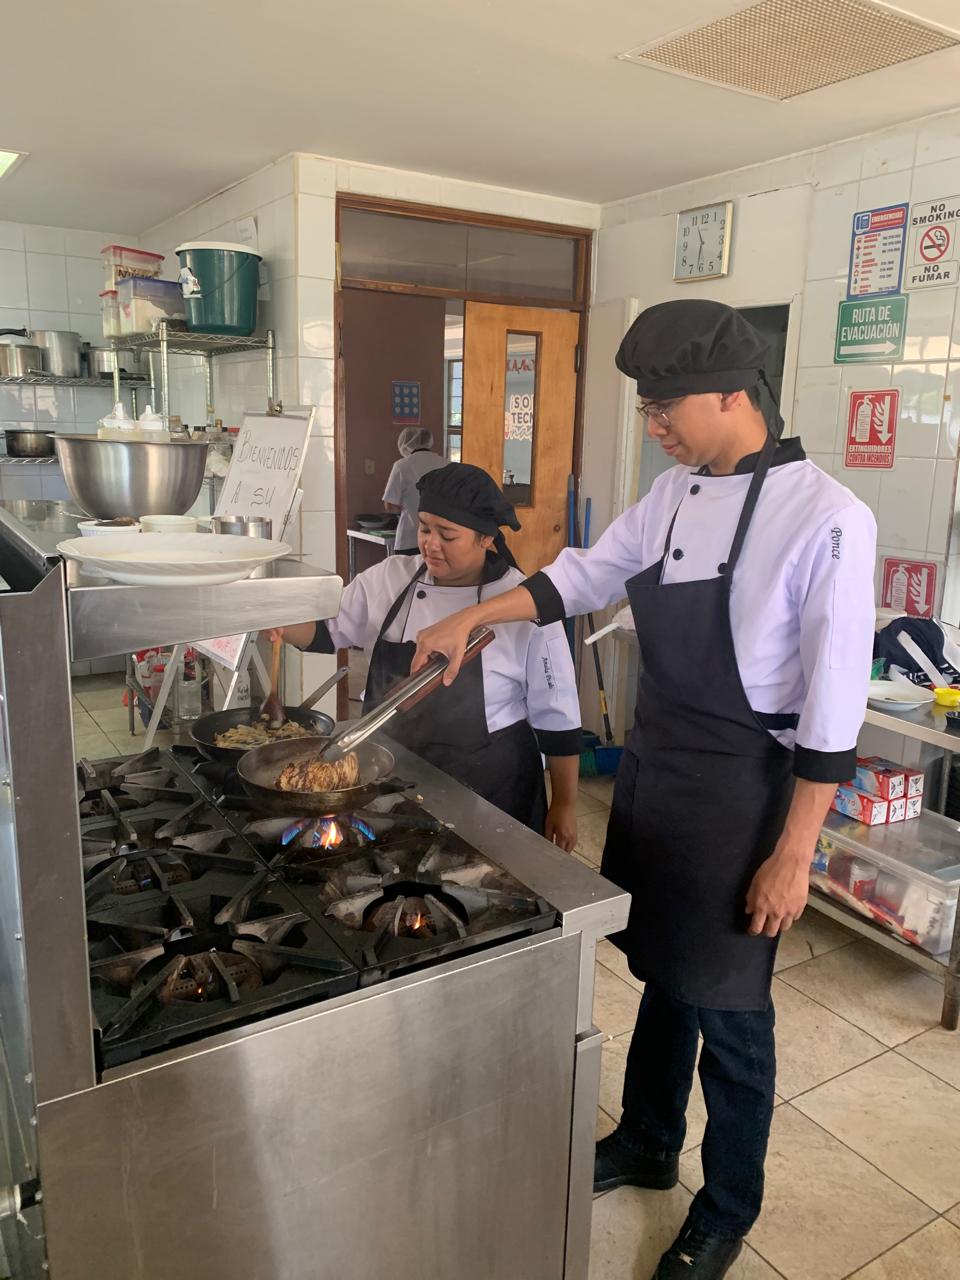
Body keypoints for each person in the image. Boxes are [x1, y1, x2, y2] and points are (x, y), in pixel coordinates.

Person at [410, 301, 877, 1280]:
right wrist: (477, 616)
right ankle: (650, 1140)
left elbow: (833, 711)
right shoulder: (672, 495)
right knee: (663, 976)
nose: (655, 425)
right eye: (647, 408)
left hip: (748, 794)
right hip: (662, 773)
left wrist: (795, 852)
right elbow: (582, 575)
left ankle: (727, 1205)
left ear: (732, 394)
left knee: (733, 1011)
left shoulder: (829, 515)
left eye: (666, 407)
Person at [269, 462, 581, 847]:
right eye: (425, 528)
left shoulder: (523, 603)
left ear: (486, 539)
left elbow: (558, 716)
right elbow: (325, 632)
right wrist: (277, 618)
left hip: (489, 781)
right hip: (389, 766)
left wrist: (565, 804)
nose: (431, 544)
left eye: (447, 535)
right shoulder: (390, 578)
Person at [382, 427, 446, 552]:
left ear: (405, 445)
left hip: (409, 538)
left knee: (406, 571)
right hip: (439, 537)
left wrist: (407, 508)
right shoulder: (445, 464)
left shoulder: (401, 466)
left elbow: (389, 505)